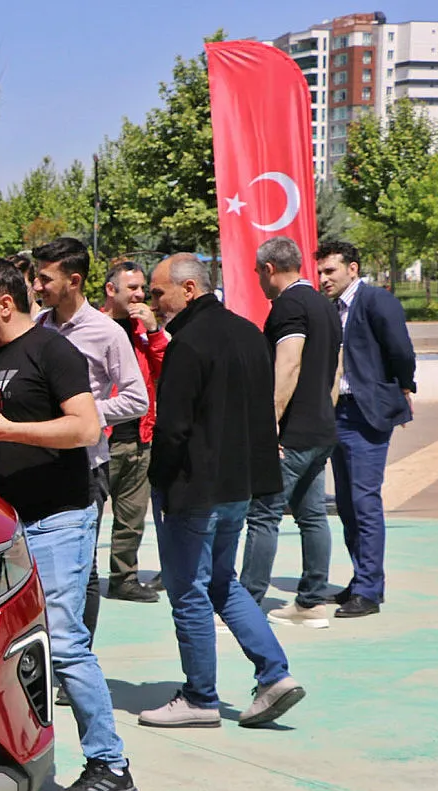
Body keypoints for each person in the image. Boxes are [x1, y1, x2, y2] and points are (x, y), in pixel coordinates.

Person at [0, 258, 137, 791]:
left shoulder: (54, 351)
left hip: (59, 517)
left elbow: (84, 427)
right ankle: (8, 749)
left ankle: (110, 764)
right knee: (7, 643)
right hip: (8, 524)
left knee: (65, 642)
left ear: (4, 303)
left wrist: (3, 428)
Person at [141, 254, 304, 729]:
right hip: (238, 486)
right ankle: (274, 674)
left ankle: (200, 696)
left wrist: (161, 482)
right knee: (219, 582)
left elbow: (173, 428)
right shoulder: (248, 333)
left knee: (189, 590)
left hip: (196, 489)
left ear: (189, 290)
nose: (155, 302)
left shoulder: (188, 345)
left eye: (159, 293)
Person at [32, 237, 148, 646]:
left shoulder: (105, 333)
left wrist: (85, 417)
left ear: (74, 280)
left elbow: (137, 398)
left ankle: (75, 659)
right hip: (34, 463)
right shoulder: (36, 328)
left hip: (85, 465)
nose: (36, 286)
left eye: (45, 278)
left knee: (83, 568)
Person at [241, 237, 342, 627]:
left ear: (269, 269)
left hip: (293, 432)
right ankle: (311, 601)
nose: (258, 281)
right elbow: (335, 370)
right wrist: (325, 415)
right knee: (312, 514)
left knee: (263, 513)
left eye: (257, 273)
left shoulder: (290, 306)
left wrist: (270, 427)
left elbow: (288, 365)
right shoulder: (324, 305)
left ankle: (246, 602)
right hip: (320, 428)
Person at [315, 239, 416, 619]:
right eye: (320, 272)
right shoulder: (332, 309)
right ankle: (362, 580)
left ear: (352, 269)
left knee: (364, 502)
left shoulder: (375, 301)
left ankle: (370, 590)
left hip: (367, 416)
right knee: (346, 505)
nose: (324, 279)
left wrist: (404, 386)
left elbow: (401, 350)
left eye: (331, 271)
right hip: (338, 415)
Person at [100, 260, 165, 603]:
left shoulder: (143, 329)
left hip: (139, 437)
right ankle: (83, 581)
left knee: (131, 518)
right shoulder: (92, 326)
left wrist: (154, 332)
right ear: (111, 290)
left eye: (143, 288)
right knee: (87, 517)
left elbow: (165, 369)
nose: (141, 295)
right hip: (101, 439)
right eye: (133, 289)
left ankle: (123, 578)